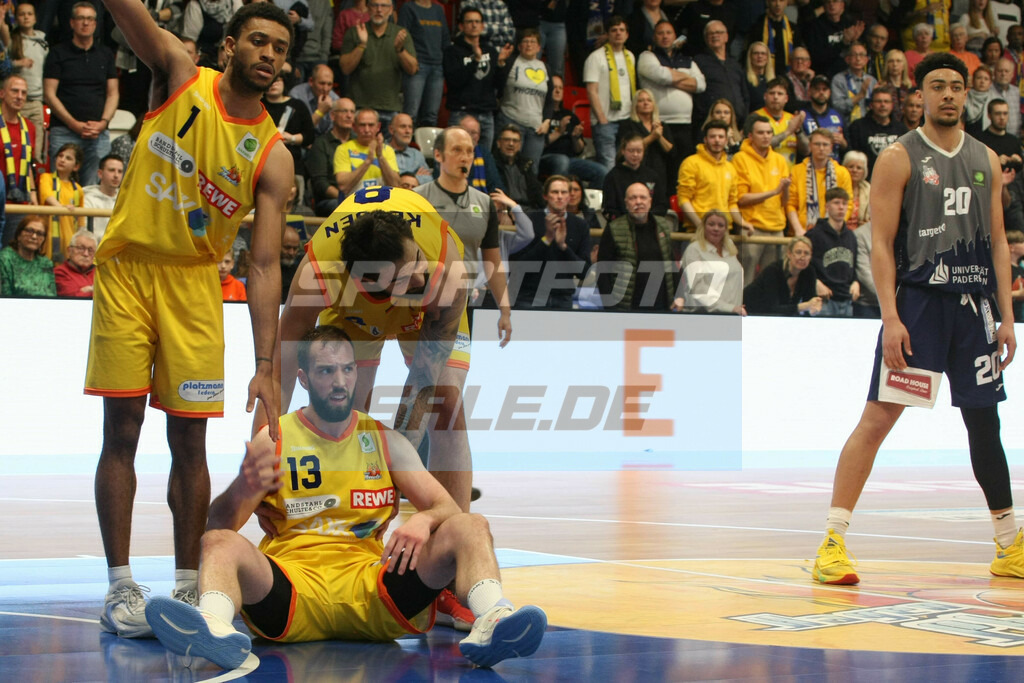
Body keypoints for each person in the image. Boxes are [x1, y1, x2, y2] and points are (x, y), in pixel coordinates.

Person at [144, 325, 547, 671]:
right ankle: (214, 628)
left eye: (347, 369)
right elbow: (217, 527)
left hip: (376, 592)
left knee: (471, 524)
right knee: (219, 544)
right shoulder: (275, 439)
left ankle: (493, 619)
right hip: (294, 592)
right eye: (326, 371)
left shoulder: (383, 439)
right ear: (303, 378)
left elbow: (447, 507)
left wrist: (424, 520)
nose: (339, 381)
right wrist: (242, 487)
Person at [85, 1, 295, 639]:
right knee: (121, 429)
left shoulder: (273, 156)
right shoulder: (180, 73)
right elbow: (130, 17)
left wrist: (266, 365)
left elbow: (263, 266)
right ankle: (121, 588)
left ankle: (188, 586)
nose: (268, 54)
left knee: (191, 444)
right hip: (128, 271)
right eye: (257, 41)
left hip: (198, 288)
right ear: (228, 46)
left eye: (280, 49)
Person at [812, 53, 1023, 586]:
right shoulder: (900, 157)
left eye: (956, 86)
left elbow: (999, 243)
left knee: (984, 423)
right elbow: (880, 244)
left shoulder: (987, 159)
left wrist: (1006, 316)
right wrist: (891, 315)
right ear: (920, 94)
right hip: (918, 307)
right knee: (879, 419)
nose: (948, 94)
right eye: (937, 86)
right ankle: (832, 543)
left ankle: (1008, 545)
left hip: (973, 310)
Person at [269, 187, 490, 628]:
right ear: (367, 284)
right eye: (408, 280)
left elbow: (421, 384)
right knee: (341, 408)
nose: (419, 278)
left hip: (431, 314)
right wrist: (269, 445)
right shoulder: (320, 274)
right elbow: (285, 358)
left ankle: (450, 578)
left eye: (417, 266)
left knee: (447, 402)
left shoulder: (443, 270)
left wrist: (398, 473)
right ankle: (332, 547)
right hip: (353, 311)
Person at [414, 126, 515, 326]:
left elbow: (493, 262)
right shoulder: (417, 198)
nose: (465, 157)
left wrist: (505, 311)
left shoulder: (485, 203)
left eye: (469, 151)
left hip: (461, 304)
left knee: (457, 359)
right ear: (438, 155)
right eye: (457, 150)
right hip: (418, 303)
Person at [43, 1, 118, 186]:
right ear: (72, 23)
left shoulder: (106, 54)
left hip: (98, 133)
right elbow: (49, 94)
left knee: (93, 189)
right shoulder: (57, 53)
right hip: (64, 130)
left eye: (90, 19)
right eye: (81, 18)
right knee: (59, 187)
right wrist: (73, 124)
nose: (86, 23)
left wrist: (103, 123)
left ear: (96, 23)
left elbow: (113, 93)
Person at [597, 182, 682, 311]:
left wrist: (679, 295)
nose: (638, 202)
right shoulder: (614, 229)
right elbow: (603, 271)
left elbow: (671, 264)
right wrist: (610, 307)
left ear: (650, 201)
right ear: (626, 203)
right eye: (633, 198)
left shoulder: (663, 225)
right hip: (627, 307)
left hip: (662, 305)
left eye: (643, 197)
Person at [514, 174, 591, 308]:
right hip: (529, 296)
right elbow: (518, 266)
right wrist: (547, 239)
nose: (560, 196)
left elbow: (583, 271)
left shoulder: (580, 225)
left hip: (563, 298)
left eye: (564, 192)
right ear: (545, 196)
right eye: (555, 192)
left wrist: (563, 247)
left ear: (569, 196)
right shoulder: (530, 220)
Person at [339, 0, 417, 132]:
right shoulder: (356, 31)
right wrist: (362, 45)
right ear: (368, 8)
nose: (379, 10)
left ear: (391, 9)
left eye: (384, 6)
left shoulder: (400, 34)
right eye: (375, 5)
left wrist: (400, 50)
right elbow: (345, 68)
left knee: (387, 152)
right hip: (360, 107)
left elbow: (413, 69)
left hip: (390, 108)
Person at [443, 6, 512, 153]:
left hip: (486, 113)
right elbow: (455, 82)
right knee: (458, 156)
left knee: (484, 159)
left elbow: (498, 85)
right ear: (461, 26)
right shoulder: (452, 51)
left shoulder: (491, 51)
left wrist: (500, 65)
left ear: (482, 26)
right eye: (469, 22)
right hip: (462, 113)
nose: (474, 25)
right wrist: (475, 60)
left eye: (477, 22)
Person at [636, 20, 705, 165]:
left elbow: (700, 85)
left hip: (685, 124)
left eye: (669, 33)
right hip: (658, 123)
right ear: (654, 37)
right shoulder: (647, 57)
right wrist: (687, 77)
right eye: (660, 33)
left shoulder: (687, 60)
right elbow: (662, 76)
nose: (665, 36)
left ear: (675, 36)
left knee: (683, 167)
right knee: (661, 169)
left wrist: (671, 77)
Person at [734, 114, 791, 285]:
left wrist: (785, 190)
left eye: (769, 132)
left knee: (772, 282)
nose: (766, 136)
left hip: (777, 229)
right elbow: (741, 199)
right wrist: (773, 191)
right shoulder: (740, 159)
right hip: (752, 229)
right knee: (746, 280)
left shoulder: (780, 160)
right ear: (750, 136)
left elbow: (784, 201)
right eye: (760, 133)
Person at [584, 15, 636, 169]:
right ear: (607, 34)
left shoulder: (630, 56)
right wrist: (602, 120)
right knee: (608, 166)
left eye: (622, 30)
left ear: (627, 34)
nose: (618, 33)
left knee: (627, 166)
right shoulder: (595, 58)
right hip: (606, 121)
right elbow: (591, 91)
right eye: (614, 30)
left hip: (626, 120)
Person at [677, 120, 748, 232]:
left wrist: (742, 222)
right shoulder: (691, 163)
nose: (717, 140)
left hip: (724, 230)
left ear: (726, 140)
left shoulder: (730, 168)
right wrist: (700, 225)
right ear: (705, 139)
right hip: (697, 230)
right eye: (712, 136)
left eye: (721, 137)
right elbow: (684, 199)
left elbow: (732, 202)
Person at [497, 28, 548, 169]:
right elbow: (497, 85)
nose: (529, 45)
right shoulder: (511, 63)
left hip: (536, 127)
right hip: (511, 120)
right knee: (506, 164)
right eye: (525, 41)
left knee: (531, 169)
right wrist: (501, 64)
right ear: (519, 46)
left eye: (533, 42)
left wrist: (547, 120)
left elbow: (549, 99)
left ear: (539, 47)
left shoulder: (545, 67)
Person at [804, 186, 859, 316]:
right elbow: (804, 265)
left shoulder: (851, 236)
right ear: (827, 206)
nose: (841, 207)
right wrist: (815, 282)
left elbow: (854, 265)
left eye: (844, 203)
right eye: (836, 203)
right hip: (823, 300)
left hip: (846, 299)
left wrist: (856, 282)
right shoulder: (814, 235)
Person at [787, 128, 853, 236]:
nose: (821, 148)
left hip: (833, 232)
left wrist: (837, 227)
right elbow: (790, 204)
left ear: (831, 147)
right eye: (817, 144)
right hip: (802, 232)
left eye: (825, 145)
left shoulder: (842, 172)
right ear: (810, 146)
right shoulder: (797, 171)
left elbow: (848, 204)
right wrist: (798, 229)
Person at [615, 89, 673, 209]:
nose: (645, 103)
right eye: (641, 101)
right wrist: (652, 136)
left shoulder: (662, 125)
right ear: (635, 105)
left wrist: (659, 136)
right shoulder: (627, 125)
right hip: (634, 171)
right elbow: (628, 148)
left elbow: (670, 150)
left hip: (659, 172)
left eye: (649, 100)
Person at [680, 209, 745, 314]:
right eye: (711, 224)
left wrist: (734, 307)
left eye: (721, 225)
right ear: (703, 227)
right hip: (704, 314)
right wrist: (727, 307)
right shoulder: (694, 249)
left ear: (726, 229)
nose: (716, 228)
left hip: (733, 313)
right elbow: (698, 288)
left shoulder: (730, 247)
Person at [398, 0, 449, 128]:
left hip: (437, 67)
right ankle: (407, 146)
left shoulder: (438, 9)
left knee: (431, 115)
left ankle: (427, 147)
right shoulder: (408, 8)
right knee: (411, 114)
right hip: (417, 66)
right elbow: (402, 36)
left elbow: (445, 39)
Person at [0, 74, 38, 246]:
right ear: (2, 93)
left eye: (24, 92)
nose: (20, 96)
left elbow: (28, 164)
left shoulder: (29, 127)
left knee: (11, 255)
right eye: (15, 91)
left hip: (19, 203)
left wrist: (33, 194)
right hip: (1, 199)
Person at [743, 235, 822, 315]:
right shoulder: (773, 270)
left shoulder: (810, 272)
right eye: (798, 252)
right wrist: (803, 306)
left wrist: (814, 306)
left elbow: (810, 303)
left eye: (806, 253)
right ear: (789, 254)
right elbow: (772, 308)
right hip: (750, 313)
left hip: (778, 317)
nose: (802, 257)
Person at [306, 97, 356, 216]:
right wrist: (346, 200)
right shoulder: (321, 143)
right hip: (331, 200)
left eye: (352, 112)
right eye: (344, 111)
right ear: (333, 115)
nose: (349, 116)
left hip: (359, 197)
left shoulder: (359, 143)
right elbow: (321, 184)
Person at [334, 109, 400, 196]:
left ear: (378, 127)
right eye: (362, 125)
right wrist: (368, 160)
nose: (366, 130)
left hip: (383, 203)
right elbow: (344, 186)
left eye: (371, 125)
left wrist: (380, 157)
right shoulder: (343, 149)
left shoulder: (387, 150)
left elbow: (396, 186)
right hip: (354, 203)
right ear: (354, 127)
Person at [37, 142, 85, 263]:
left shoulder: (78, 189)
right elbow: (46, 195)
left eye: (68, 158)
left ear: (76, 166)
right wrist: (61, 208)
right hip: (48, 237)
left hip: (69, 238)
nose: (62, 160)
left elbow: (81, 220)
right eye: (60, 156)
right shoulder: (46, 178)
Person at [8, 2, 48, 145]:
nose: (26, 17)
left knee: (36, 146)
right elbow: (3, 65)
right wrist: (17, 63)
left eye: (29, 14)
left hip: (37, 101)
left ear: (36, 18)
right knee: (16, 143)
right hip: (16, 101)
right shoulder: (11, 41)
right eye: (22, 14)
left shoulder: (43, 43)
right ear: (16, 18)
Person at [694, 21, 748, 127]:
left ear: (726, 37)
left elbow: (745, 94)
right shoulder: (699, 61)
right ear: (705, 38)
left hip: (737, 123)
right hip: (711, 123)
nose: (715, 35)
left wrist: (744, 119)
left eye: (719, 32)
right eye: (711, 33)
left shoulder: (735, 64)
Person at [846, 85, 908, 175]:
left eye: (886, 101)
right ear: (871, 105)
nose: (883, 105)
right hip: (866, 181)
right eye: (879, 101)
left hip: (894, 179)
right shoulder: (858, 127)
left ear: (892, 105)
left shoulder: (901, 129)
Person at [603, 134, 664, 221]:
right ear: (623, 151)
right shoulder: (613, 176)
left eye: (639, 151)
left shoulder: (652, 176)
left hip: (648, 224)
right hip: (622, 226)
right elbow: (609, 208)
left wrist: (646, 219)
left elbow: (661, 205)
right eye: (631, 151)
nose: (635, 154)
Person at [805, 0, 864, 79]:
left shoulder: (849, 23)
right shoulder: (815, 26)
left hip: (847, 75)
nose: (831, 4)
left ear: (842, 5)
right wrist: (843, 42)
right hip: (824, 74)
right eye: (828, 2)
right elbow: (818, 57)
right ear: (824, 6)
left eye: (835, 1)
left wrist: (854, 41)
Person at [0, 215, 55, 297]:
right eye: (29, 231)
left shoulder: (46, 263)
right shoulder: (4, 259)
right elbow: (5, 298)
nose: (34, 236)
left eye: (40, 233)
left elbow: (52, 296)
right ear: (19, 235)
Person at [753, 77, 803, 167]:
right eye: (772, 93)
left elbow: (806, 150)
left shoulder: (792, 118)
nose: (775, 97)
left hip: (790, 177)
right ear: (765, 96)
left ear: (786, 98)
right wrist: (787, 132)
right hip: (765, 175)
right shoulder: (756, 117)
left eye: (780, 94)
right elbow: (760, 145)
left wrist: (799, 131)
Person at [492, 125, 544, 210]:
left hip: (529, 210)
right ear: (498, 143)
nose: (511, 144)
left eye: (515, 141)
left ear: (519, 145)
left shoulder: (527, 165)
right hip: (506, 209)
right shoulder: (492, 164)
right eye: (506, 140)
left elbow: (536, 193)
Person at [799, 75, 848, 161]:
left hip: (834, 167)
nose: (821, 92)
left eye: (824, 89)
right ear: (809, 91)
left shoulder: (838, 115)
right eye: (817, 89)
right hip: (810, 167)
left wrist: (842, 142)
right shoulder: (802, 115)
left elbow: (848, 147)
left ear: (829, 92)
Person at [747, 0, 800, 75]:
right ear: (767, 2)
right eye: (774, 1)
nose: (778, 4)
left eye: (781, 0)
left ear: (787, 2)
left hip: (787, 76)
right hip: (763, 75)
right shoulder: (758, 27)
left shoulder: (793, 28)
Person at [831, 42, 876, 125]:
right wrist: (859, 96)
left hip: (869, 126)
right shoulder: (839, 79)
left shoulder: (872, 80)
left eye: (861, 55)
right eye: (854, 55)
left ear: (866, 60)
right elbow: (837, 107)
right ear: (847, 59)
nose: (858, 59)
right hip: (847, 125)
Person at [288, 64, 339, 137]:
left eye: (329, 84)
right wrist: (320, 112)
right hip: (301, 140)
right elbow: (297, 130)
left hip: (323, 143)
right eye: (322, 83)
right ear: (311, 81)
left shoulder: (335, 98)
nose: (325, 89)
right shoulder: (297, 95)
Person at [81, 153, 123, 240]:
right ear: (100, 173)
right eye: (111, 170)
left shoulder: (125, 200)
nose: (116, 175)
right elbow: (83, 231)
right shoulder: (88, 199)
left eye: (120, 171)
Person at [389, 113, 432, 184]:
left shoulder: (417, 154)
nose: (408, 131)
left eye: (410, 127)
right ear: (391, 130)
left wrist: (401, 179)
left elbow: (429, 180)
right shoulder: (382, 151)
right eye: (403, 127)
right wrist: (416, 177)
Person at [54, 227, 96, 297]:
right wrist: (95, 290)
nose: (86, 254)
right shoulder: (60, 272)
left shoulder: (99, 272)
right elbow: (73, 297)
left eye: (90, 250)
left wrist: (87, 290)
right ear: (69, 251)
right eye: (81, 248)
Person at [843, 150, 870, 230]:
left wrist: (867, 224)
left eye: (859, 168)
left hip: (861, 233)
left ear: (864, 171)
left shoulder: (869, 190)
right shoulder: (836, 187)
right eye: (851, 166)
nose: (854, 170)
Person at [744, 41, 774, 113]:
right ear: (750, 57)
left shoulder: (773, 80)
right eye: (756, 53)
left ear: (767, 57)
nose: (760, 56)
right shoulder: (744, 78)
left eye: (763, 53)